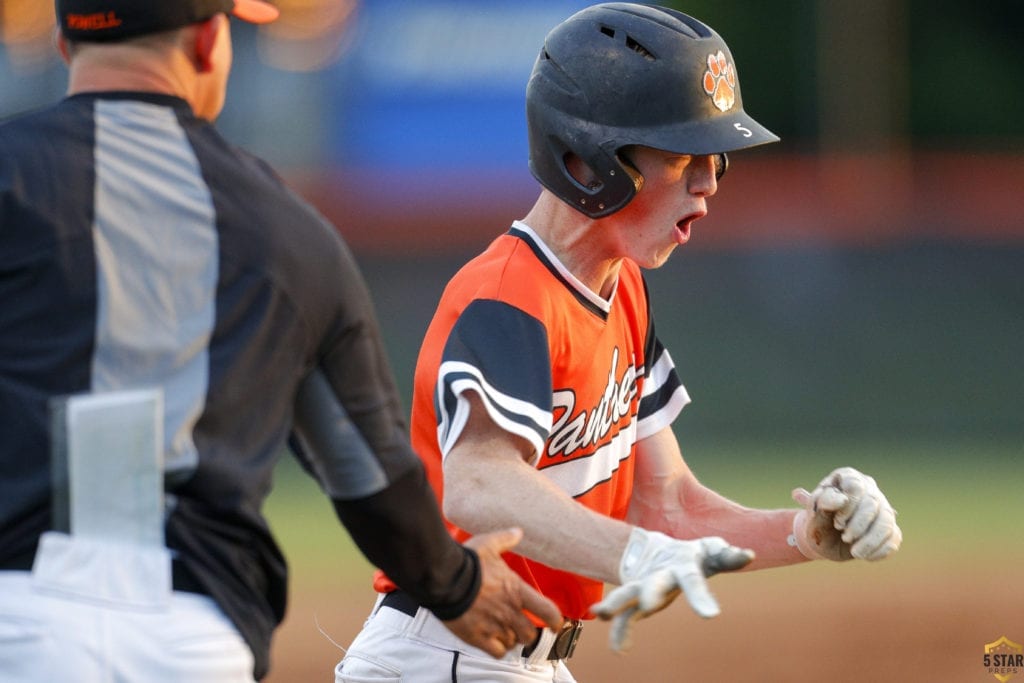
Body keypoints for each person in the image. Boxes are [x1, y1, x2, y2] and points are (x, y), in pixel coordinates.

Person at [334, 3, 903, 682]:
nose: (710, 180)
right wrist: (635, 554)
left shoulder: (622, 290)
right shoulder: (509, 293)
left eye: (715, 155)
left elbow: (668, 506)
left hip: (515, 663)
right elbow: (478, 483)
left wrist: (804, 534)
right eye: (684, 152)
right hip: (444, 658)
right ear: (586, 158)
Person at [0, 1, 562, 681]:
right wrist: (457, 584)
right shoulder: (287, 230)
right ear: (211, 42)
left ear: (63, 41)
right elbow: (365, 470)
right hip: (188, 636)